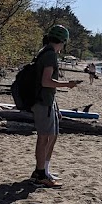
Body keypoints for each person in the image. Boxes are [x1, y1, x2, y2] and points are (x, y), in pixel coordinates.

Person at [31, 25, 82, 187]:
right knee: (44, 137)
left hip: (48, 101)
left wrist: (56, 106)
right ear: (62, 41)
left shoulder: (45, 52)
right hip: (42, 102)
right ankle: (40, 175)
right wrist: (68, 84)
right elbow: (46, 81)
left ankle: (44, 170)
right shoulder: (50, 55)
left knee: (52, 136)